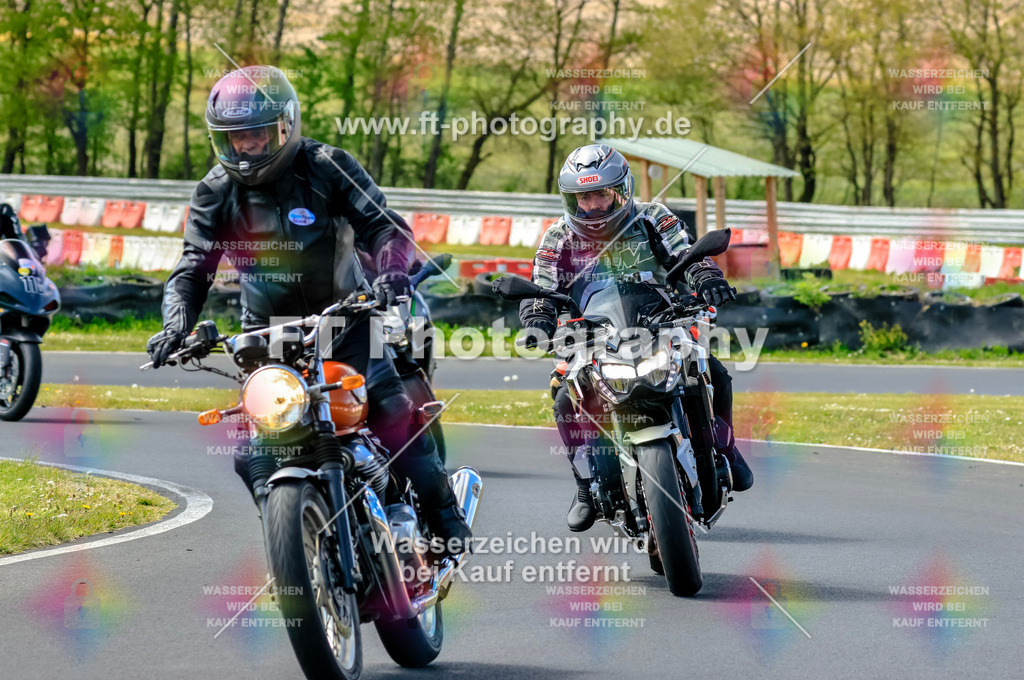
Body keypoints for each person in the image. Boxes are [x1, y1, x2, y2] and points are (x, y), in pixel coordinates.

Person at [145, 65, 470, 551]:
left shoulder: (327, 165)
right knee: (252, 449)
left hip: (350, 318)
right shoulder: (214, 191)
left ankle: (444, 519)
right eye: (235, 139)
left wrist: (391, 273)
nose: (247, 148)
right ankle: (292, 540)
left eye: (256, 135)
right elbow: (193, 267)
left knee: (389, 413)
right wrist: (175, 326)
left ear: (285, 126)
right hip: (265, 336)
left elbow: (385, 227)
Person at [519, 143, 754, 532]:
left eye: (601, 194)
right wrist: (538, 320)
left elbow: (688, 255)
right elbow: (541, 287)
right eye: (583, 197)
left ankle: (725, 447)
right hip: (590, 336)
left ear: (622, 190)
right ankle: (584, 484)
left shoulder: (652, 218)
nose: (592, 206)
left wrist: (708, 278)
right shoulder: (556, 238)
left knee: (713, 370)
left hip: (662, 323)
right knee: (562, 393)